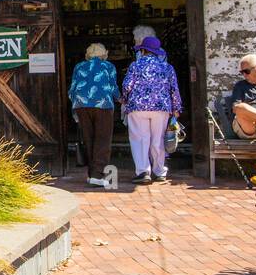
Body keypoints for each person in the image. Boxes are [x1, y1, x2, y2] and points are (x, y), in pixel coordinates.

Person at [120, 36, 181, 185]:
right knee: (158, 139)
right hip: (161, 108)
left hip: (138, 107)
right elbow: (174, 89)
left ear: (142, 50)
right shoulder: (167, 67)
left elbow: (127, 86)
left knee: (140, 139)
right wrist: (176, 108)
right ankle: (159, 171)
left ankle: (143, 172)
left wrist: (124, 98)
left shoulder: (135, 65)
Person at [68, 42, 118, 188]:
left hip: (81, 106)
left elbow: (72, 89)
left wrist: (76, 105)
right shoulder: (108, 66)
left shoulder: (79, 66)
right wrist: (121, 99)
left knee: (88, 139)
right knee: (102, 139)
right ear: (104, 54)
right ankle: (98, 175)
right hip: (103, 105)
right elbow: (113, 87)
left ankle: (92, 174)